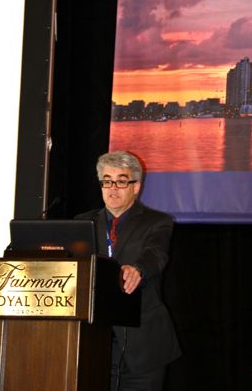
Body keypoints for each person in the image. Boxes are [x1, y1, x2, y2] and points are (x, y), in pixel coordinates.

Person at [75, 150, 181, 391]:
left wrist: (138, 270)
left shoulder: (157, 222)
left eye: (121, 181)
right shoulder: (83, 222)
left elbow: (156, 254)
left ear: (136, 187)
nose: (113, 188)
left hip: (143, 347)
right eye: (107, 181)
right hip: (93, 344)